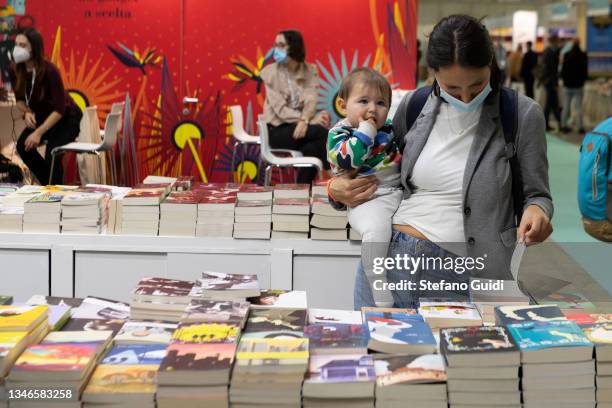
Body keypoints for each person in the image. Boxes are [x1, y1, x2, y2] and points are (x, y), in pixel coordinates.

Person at [328, 15, 553, 309]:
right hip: (389, 260)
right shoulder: (414, 106)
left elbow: (538, 195)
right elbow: (374, 164)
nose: (465, 97)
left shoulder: (520, 115)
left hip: (461, 275)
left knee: (449, 354)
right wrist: (335, 189)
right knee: (373, 352)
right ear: (432, 73)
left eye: (476, 86)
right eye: (452, 89)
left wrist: (537, 211)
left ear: (490, 65)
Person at [327, 67, 402, 307]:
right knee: (377, 232)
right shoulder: (339, 133)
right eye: (363, 101)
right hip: (369, 199)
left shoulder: (389, 129)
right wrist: (365, 131)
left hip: (397, 192)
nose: (372, 109)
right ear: (342, 105)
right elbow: (349, 160)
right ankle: (378, 285)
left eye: (381, 103)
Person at [10, 27, 82, 185]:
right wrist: (26, 112)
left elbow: (60, 109)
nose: (17, 49)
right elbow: (20, 100)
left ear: (34, 48)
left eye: (23, 45)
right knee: (23, 147)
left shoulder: (50, 71)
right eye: (16, 44)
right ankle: (50, 187)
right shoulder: (15, 70)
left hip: (67, 118)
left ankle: (56, 192)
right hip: (43, 118)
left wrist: (38, 133)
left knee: (52, 153)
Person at [260, 30, 331, 184]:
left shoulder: (310, 70)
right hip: (277, 130)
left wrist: (305, 120)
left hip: (301, 128)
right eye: (275, 45)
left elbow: (311, 100)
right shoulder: (269, 73)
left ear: (293, 47)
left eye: (280, 45)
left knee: (312, 149)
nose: (275, 49)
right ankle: (335, 174)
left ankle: (301, 193)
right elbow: (280, 110)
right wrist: (308, 120)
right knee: (320, 132)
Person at [560, 39, 588, 134]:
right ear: (579, 44)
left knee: (566, 106)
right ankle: (580, 127)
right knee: (579, 107)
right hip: (578, 86)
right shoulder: (583, 55)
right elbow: (585, 71)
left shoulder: (567, 55)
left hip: (568, 85)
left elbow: (563, 71)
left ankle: (563, 125)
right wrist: (583, 81)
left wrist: (564, 80)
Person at [541, 34, 562, 131]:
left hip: (548, 82)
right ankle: (560, 123)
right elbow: (552, 70)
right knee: (551, 104)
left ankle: (557, 123)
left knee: (551, 104)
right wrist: (555, 84)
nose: (559, 43)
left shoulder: (547, 52)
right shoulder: (550, 53)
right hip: (550, 82)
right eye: (557, 41)